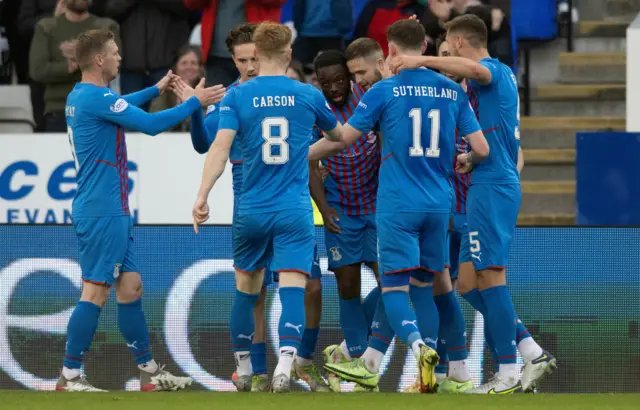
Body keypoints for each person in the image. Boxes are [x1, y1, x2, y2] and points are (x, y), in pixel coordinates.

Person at [312, 18, 489, 393]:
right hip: (440, 204)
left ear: (390, 50)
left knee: (393, 289)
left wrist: (300, 154)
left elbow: (343, 139)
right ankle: (439, 372)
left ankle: (419, 347)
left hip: (397, 205)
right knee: (427, 285)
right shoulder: (453, 90)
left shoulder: (384, 91)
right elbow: (482, 148)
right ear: (425, 47)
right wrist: (465, 162)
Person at [389, 14, 556, 394]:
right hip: (488, 179)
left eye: (450, 47)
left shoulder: (491, 71)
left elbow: (472, 70)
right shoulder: (502, 78)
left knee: (491, 278)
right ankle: (531, 350)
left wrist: (422, 60)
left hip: (491, 188)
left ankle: (508, 371)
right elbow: (510, 145)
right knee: (467, 282)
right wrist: (476, 159)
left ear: (462, 44)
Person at [58, 28, 223, 392]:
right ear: (99, 59)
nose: (120, 58)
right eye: (115, 53)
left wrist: (156, 89)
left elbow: (122, 106)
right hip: (102, 211)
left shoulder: (83, 96)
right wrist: (194, 101)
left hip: (108, 208)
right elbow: (149, 125)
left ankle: (149, 374)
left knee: (130, 288)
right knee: (95, 292)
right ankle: (69, 375)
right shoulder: (96, 97)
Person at [190, 21, 343, 393]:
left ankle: (244, 369)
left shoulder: (237, 97)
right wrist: (301, 154)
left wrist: (202, 195)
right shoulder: (307, 95)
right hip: (293, 209)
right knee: (293, 286)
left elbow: (220, 148)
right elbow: (338, 137)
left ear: (255, 55)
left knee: (246, 290)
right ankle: (284, 368)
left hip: (251, 209)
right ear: (289, 54)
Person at [308, 50, 382, 393]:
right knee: (348, 285)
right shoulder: (313, 112)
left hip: (377, 206)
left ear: (350, 77)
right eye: (326, 83)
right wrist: (324, 209)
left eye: (340, 80)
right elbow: (309, 165)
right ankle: (357, 363)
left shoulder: (368, 100)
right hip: (341, 208)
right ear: (317, 83)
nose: (334, 88)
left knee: (395, 283)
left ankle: (348, 354)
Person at [29, 0, 119, 132]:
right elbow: (38, 70)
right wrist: (69, 67)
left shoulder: (106, 26)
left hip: (97, 110)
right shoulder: (46, 27)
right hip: (58, 110)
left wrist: (79, 57)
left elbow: (110, 68)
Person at [150, 45, 204, 131]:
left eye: (193, 63)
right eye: (184, 63)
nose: (188, 67)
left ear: (200, 68)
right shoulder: (163, 92)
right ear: (175, 67)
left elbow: (209, 125)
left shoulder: (208, 92)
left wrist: (192, 103)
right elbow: (154, 122)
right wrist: (179, 107)